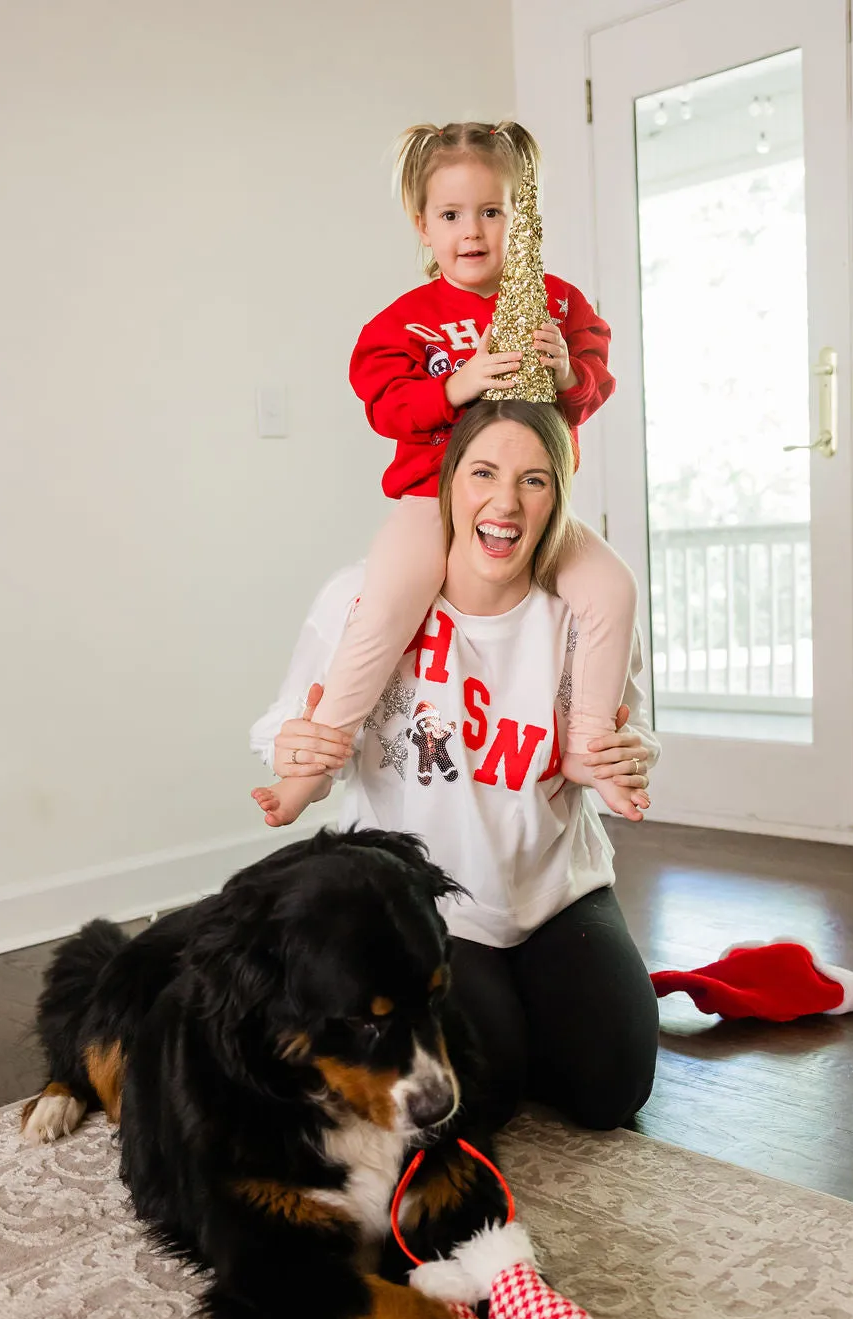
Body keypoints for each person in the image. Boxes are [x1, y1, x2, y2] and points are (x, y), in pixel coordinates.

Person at [251, 400, 660, 1132]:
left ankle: (528, 1002)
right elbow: (293, 728)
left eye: (534, 481)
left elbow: (626, 727)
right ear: (448, 487)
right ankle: (503, 1015)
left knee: (613, 1090)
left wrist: (634, 753)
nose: (505, 502)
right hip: (424, 901)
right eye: (484, 473)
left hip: (552, 887)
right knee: (481, 1096)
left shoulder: (585, 614)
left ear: (556, 500)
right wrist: (294, 749)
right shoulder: (361, 599)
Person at [256, 120, 638, 830]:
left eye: (493, 212)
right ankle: (316, 760)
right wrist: (456, 386)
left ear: (520, 221)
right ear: (422, 224)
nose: (473, 232)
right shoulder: (406, 324)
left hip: (533, 507)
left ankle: (588, 741)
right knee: (386, 604)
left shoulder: (561, 304)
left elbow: (595, 386)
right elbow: (386, 406)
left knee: (612, 587)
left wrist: (567, 372)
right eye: (452, 215)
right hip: (431, 500)